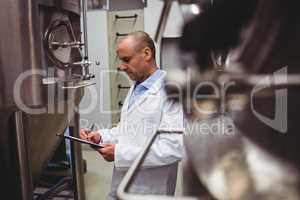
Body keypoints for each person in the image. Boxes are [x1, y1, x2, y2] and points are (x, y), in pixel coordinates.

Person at [80, 31, 184, 199]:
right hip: (122, 185)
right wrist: (100, 137)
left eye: (126, 60)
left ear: (147, 53)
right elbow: (128, 129)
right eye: (121, 60)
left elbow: (174, 147)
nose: (121, 66)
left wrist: (120, 154)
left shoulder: (172, 92)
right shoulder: (137, 86)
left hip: (149, 191)